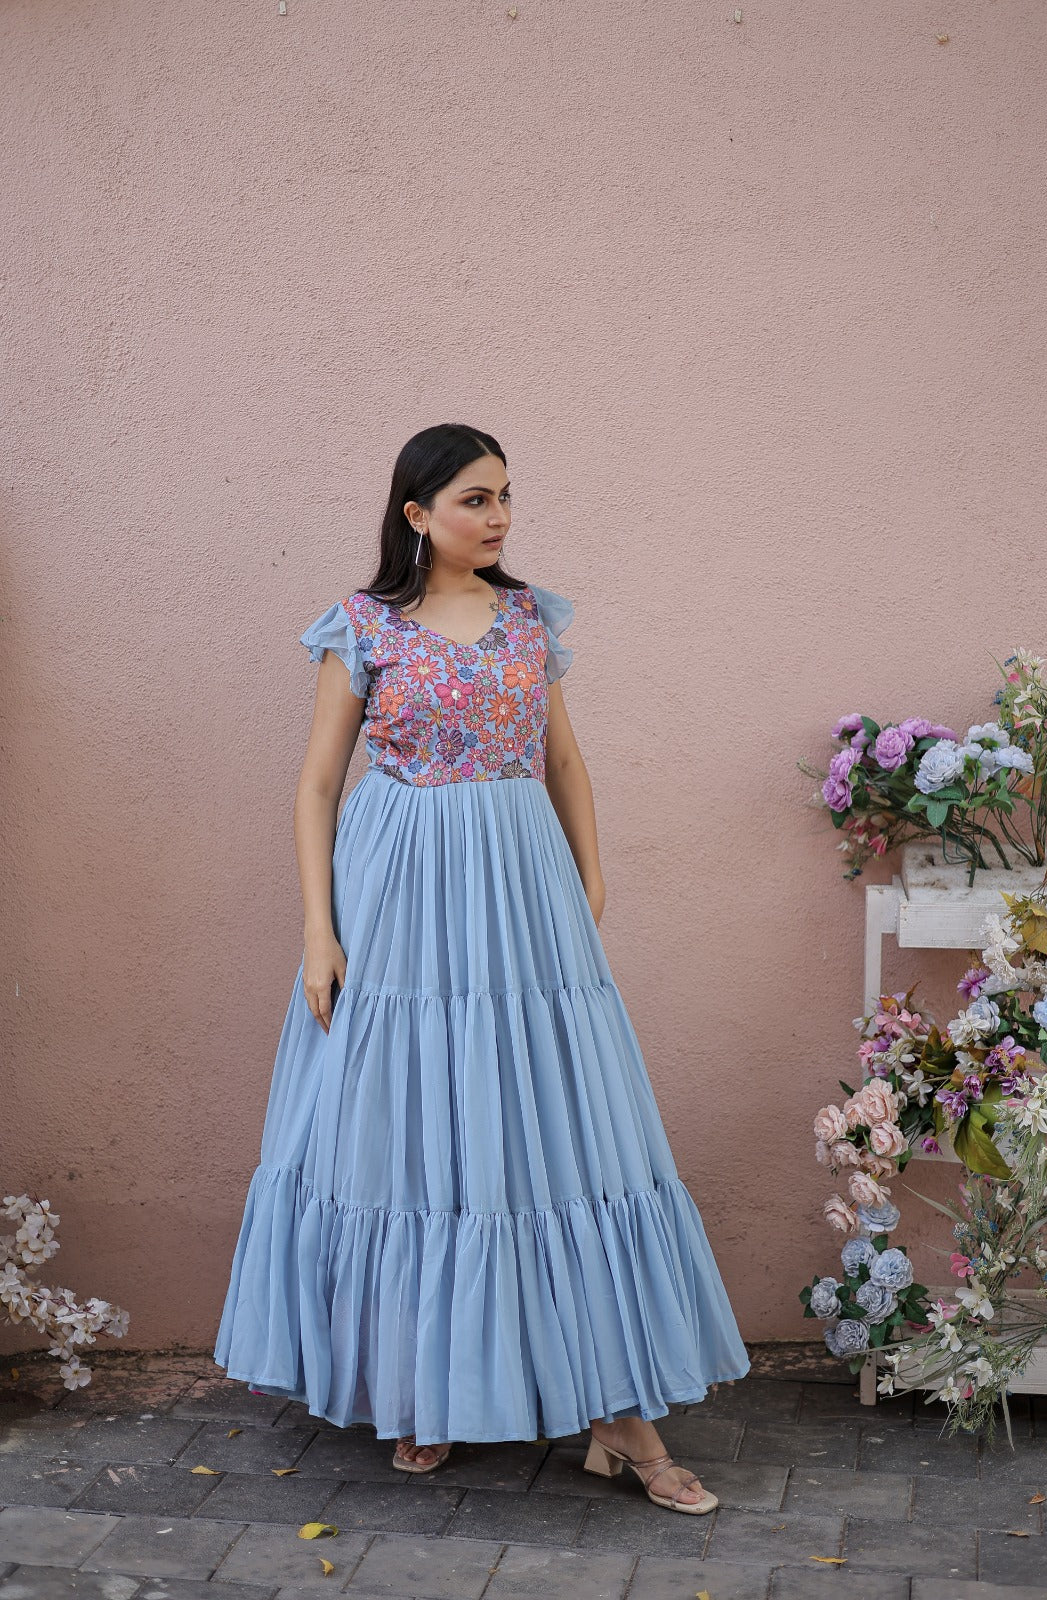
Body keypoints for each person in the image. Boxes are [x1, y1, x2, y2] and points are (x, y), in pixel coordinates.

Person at [213, 422, 750, 1514]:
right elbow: (318, 786)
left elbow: (562, 757)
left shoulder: (523, 620)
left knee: (549, 1137)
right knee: (410, 1137)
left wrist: (589, 886)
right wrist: (319, 933)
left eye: (505, 495)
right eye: (473, 499)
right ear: (416, 516)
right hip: (400, 897)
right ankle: (426, 1392)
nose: (497, 516)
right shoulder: (361, 628)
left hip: (520, 902)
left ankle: (618, 1413)